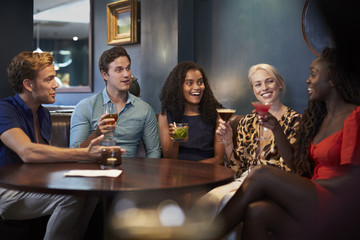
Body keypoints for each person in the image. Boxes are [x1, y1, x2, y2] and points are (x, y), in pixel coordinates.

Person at [212, 47, 360, 240]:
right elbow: (297, 166)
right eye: (257, 84)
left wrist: (310, 184)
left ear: (332, 79)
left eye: (313, 74)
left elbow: (353, 182)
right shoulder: (317, 119)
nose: (308, 79)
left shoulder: (354, 116)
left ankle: (204, 235)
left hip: (338, 204)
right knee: (257, 212)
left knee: (260, 173)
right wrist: (277, 129)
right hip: (311, 195)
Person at [0, 51, 112, 240]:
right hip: (6, 190)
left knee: (91, 193)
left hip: (33, 185)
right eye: (49, 79)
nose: (56, 84)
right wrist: (85, 154)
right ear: (28, 84)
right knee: (70, 197)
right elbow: (27, 152)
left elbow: (46, 158)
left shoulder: (43, 115)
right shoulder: (5, 110)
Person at [194, 64, 301, 238]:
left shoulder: (295, 120)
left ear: (279, 84)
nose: (264, 88)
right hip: (245, 181)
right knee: (209, 199)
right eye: (258, 84)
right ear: (253, 90)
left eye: (269, 81)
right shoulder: (247, 122)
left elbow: (293, 168)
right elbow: (238, 169)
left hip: (276, 186)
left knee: (228, 201)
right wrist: (228, 142)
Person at [70, 46, 161, 158]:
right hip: (96, 169)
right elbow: (74, 151)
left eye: (128, 68)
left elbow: (154, 151)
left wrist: (148, 174)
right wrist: (97, 134)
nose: (126, 75)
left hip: (132, 172)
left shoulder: (145, 109)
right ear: (105, 74)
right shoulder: (85, 107)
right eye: (119, 70)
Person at [158, 61, 224, 163]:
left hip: (207, 172)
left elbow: (219, 159)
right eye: (189, 83)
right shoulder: (166, 116)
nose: (197, 87)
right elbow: (169, 159)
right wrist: (176, 141)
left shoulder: (217, 115)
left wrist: (191, 170)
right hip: (177, 175)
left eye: (200, 82)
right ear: (178, 87)